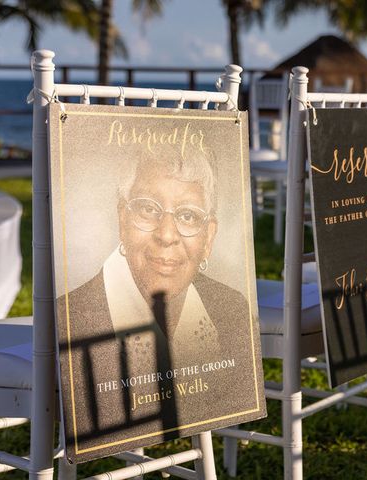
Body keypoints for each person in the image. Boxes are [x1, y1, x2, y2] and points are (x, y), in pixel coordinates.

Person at [55, 138, 259, 458]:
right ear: (123, 220)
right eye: (148, 209)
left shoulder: (231, 309)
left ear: (209, 238)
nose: (166, 234)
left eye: (189, 216)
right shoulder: (73, 317)